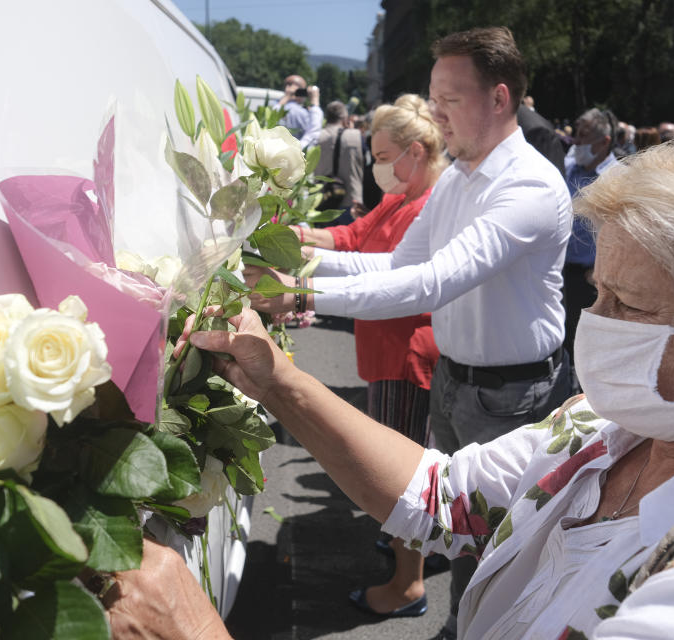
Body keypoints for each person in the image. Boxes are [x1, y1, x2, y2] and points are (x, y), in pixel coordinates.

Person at [107, 129, 674, 640]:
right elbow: (446, 498)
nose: (597, 325)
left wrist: (193, 632)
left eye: (630, 305)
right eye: (598, 295)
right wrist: (279, 382)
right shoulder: (624, 426)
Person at [245, 27, 573, 637]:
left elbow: (430, 284)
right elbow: (398, 265)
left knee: (495, 545)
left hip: (509, 395)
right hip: (457, 379)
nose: (435, 114)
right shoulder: (459, 177)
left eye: (449, 99)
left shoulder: (527, 185)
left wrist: (298, 293)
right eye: (434, 96)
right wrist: (295, 262)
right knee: (457, 522)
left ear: (499, 100)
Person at [293, 93, 447, 616]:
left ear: (417, 152)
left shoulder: (424, 206)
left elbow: (380, 270)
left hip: (406, 352)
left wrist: (301, 281)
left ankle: (409, 584)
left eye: (383, 157)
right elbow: (357, 237)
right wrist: (302, 240)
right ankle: (405, 557)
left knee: (402, 475)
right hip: (388, 348)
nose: (376, 167)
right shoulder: (403, 197)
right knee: (400, 464)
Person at [561, 108, 618, 386]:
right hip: (562, 274)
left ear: (604, 142)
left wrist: (601, 272)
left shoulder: (616, 178)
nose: (577, 142)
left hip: (592, 279)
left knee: (589, 350)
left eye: (584, 136)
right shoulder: (568, 167)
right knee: (565, 345)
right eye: (576, 133)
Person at [315, 100, 364, 226]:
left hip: (323, 199)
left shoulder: (317, 137)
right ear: (345, 118)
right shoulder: (356, 135)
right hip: (351, 201)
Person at [277, 74, 323, 148]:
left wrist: (287, 96)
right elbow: (313, 133)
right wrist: (315, 101)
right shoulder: (302, 113)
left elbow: (273, 115)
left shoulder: (275, 106)